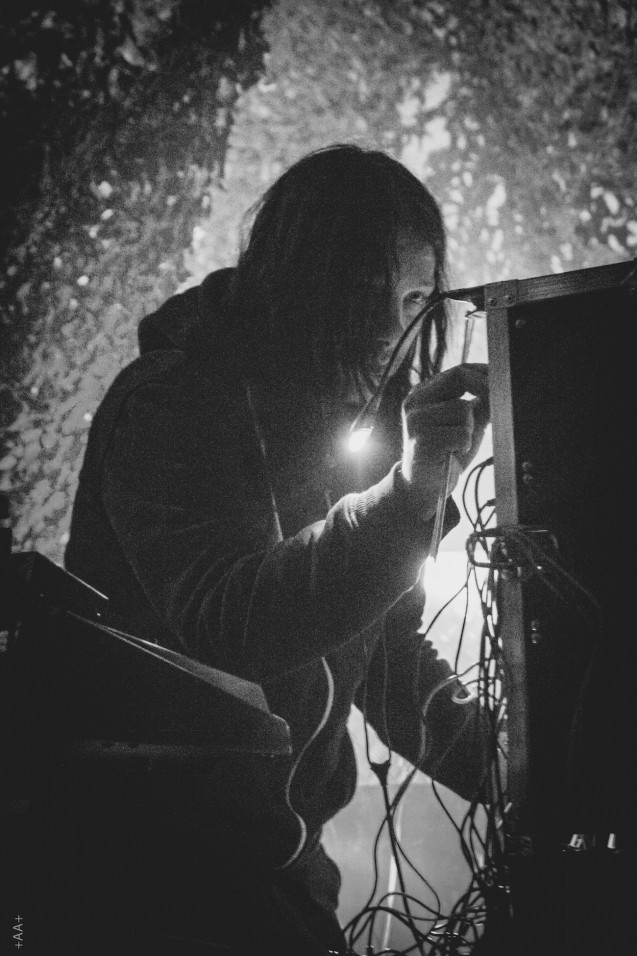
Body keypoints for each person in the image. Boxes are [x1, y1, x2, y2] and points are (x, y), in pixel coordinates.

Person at [60, 144, 490, 955]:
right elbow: (232, 619)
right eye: (363, 294)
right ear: (296, 283)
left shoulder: (352, 432)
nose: (389, 333)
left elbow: (388, 660)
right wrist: (407, 497)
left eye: (412, 300)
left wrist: (519, 774)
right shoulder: (169, 404)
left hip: (278, 869)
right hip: (143, 879)